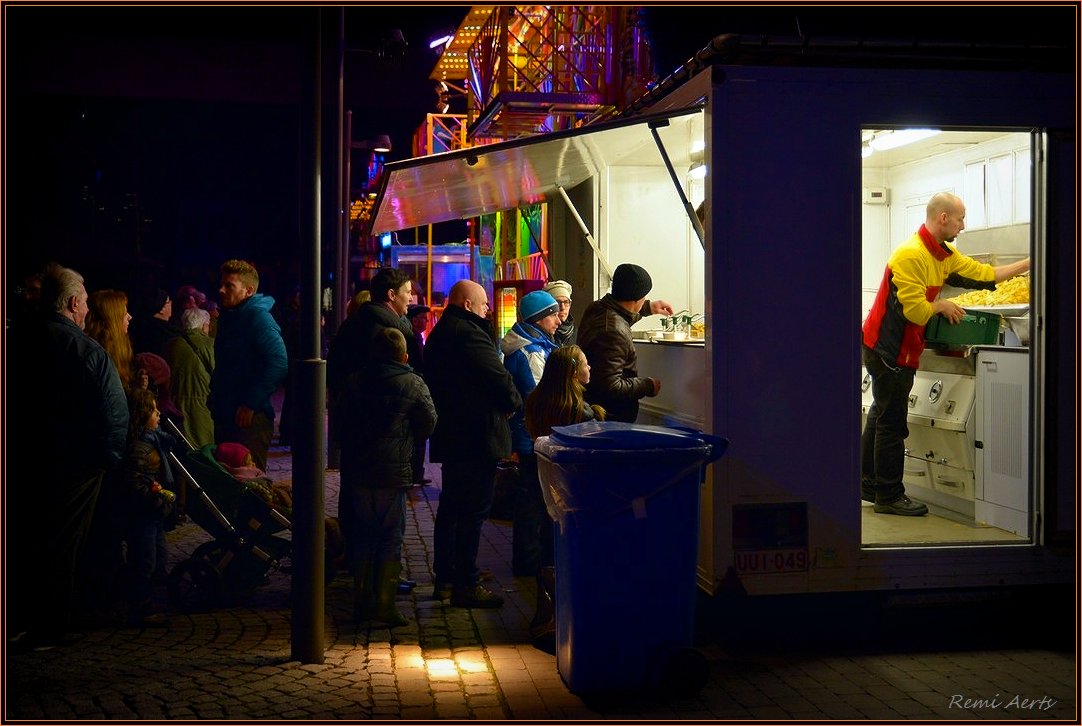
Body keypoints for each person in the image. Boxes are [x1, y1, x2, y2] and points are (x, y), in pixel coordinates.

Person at [861, 191, 1030, 516]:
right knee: (892, 424)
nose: (963, 225)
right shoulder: (910, 255)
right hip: (887, 348)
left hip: (897, 347)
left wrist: (1028, 262)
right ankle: (889, 495)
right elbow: (914, 311)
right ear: (943, 218)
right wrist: (939, 306)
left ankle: (869, 483)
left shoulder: (942, 254)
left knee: (881, 416)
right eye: (960, 219)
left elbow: (984, 275)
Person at [7, 263, 129, 649]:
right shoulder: (83, 350)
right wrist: (107, 458)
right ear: (73, 302)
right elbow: (114, 412)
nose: (88, 310)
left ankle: (18, 618)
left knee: (24, 536)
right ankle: (50, 626)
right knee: (63, 543)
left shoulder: (19, 338)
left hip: (26, 457)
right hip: (77, 463)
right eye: (86, 303)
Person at [425, 279, 522, 608]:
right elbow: (498, 377)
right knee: (472, 510)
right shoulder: (468, 332)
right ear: (467, 304)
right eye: (483, 306)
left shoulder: (442, 332)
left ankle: (447, 578)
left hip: (454, 434)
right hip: (476, 435)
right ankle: (465, 581)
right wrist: (513, 401)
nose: (488, 311)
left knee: (452, 507)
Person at [338, 327, 437, 627]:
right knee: (390, 535)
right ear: (404, 356)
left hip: (358, 469)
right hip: (392, 471)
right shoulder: (413, 383)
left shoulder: (355, 381)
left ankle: (362, 601)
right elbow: (429, 423)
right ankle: (384, 605)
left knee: (363, 533)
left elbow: (340, 419)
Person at [524, 344, 605, 651]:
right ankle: (569, 620)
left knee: (547, 552)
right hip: (572, 495)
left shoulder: (538, 402)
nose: (590, 369)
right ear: (573, 372)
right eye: (585, 364)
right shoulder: (580, 411)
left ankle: (546, 617)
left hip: (543, 489)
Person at [326, 268, 415, 473]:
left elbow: (334, 372)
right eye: (407, 292)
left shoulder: (354, 323)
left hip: (354, 429)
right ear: (392, 295)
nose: (411, 298)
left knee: (354, 493)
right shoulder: (387, 332)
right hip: (382, 432)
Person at [499, 290, 561, 576]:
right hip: (532, 438)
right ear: (539, 318)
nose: (559, 319)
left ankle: (529, 561)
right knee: (533, 503)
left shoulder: (533, 345)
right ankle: (529, 563)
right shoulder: (531, 353)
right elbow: (541, 397)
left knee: (531, 501)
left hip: (529, 437)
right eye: (553, 314)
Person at [208, 259, 288, 471]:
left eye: (229, 286)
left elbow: (278, 361)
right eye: (222, 284)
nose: (221, 290)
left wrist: (251, 402)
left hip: (249, 420)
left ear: (249, 290)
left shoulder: (257, 318)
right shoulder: (230, 317)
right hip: (228, 413)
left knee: (250, 485)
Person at [577, 263, 674, 423]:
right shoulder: (614, 331)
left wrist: (649, 308)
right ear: (637, 299)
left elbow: (622, 315)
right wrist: (647, 385)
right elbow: (611, 385)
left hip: (593, 407)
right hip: (610, 417)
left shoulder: (596, 308)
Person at [120, 388, 176, 628]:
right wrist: (153, 493)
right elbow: (134, 482)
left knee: (157, 557)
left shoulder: (154, 441)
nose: (159, 414)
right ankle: (139, 606)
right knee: (144, 560)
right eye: (153, 410)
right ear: (142, 415)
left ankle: (149, 599)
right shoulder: (141, 448)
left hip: (154, 513)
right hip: (144, 513)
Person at [164, 306, 215, 449]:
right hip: (202, 406)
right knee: (204, 448)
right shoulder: (209, 345)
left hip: (175, 405)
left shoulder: (170, 345)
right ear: (204, 325)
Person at [85, 289, 137, 391]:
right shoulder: (98, 357)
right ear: (113, 318)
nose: (130, 317)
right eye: (125, 313)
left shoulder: (115, 350)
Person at [405, 303, 432, 485]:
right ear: (414, 320)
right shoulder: (412, 340)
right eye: (423, 318)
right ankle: (416, 472)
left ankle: (417, 472)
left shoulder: (416, 338)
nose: (426, 321)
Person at [130, 288, 179, 357]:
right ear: (161, 309)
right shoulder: (165, 335)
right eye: (168, 302)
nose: (171, 303)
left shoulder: (144, 329)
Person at [542, 280, 576, 345]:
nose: (562, 307)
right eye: (557, 302)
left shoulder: (577, 334)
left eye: (566, 302)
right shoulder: (542, 333)